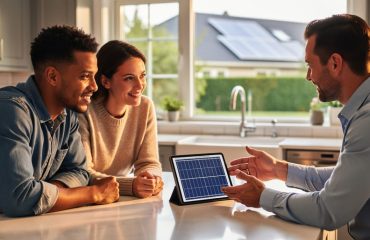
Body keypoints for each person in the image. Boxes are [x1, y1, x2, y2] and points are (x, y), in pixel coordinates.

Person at [222, 14, 370, 240]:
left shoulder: (366, 121)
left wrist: (263, 197)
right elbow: (344, 180)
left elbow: (328, 210)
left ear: (335, 63)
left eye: (310, 65)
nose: (308, 76)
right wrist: (277, 169)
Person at [0, 26, 120, 217]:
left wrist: (46, 193)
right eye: (84, 76)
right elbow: (20, 199)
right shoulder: (11, 111)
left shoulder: (68, 114)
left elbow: (80, 172)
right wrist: (94, 193)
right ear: (52, 76)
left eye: (94, 76)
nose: (94, 87)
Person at [78, 40, 163, 198]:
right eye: (129, 78)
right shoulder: (84, 111)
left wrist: (152, 179)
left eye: (142, 76)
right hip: (92, 199)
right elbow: (84, 173)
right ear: (105, 81)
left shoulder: (145, 107)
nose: (140, 85)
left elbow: (148, 162)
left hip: (124, 199)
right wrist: (130, 185)